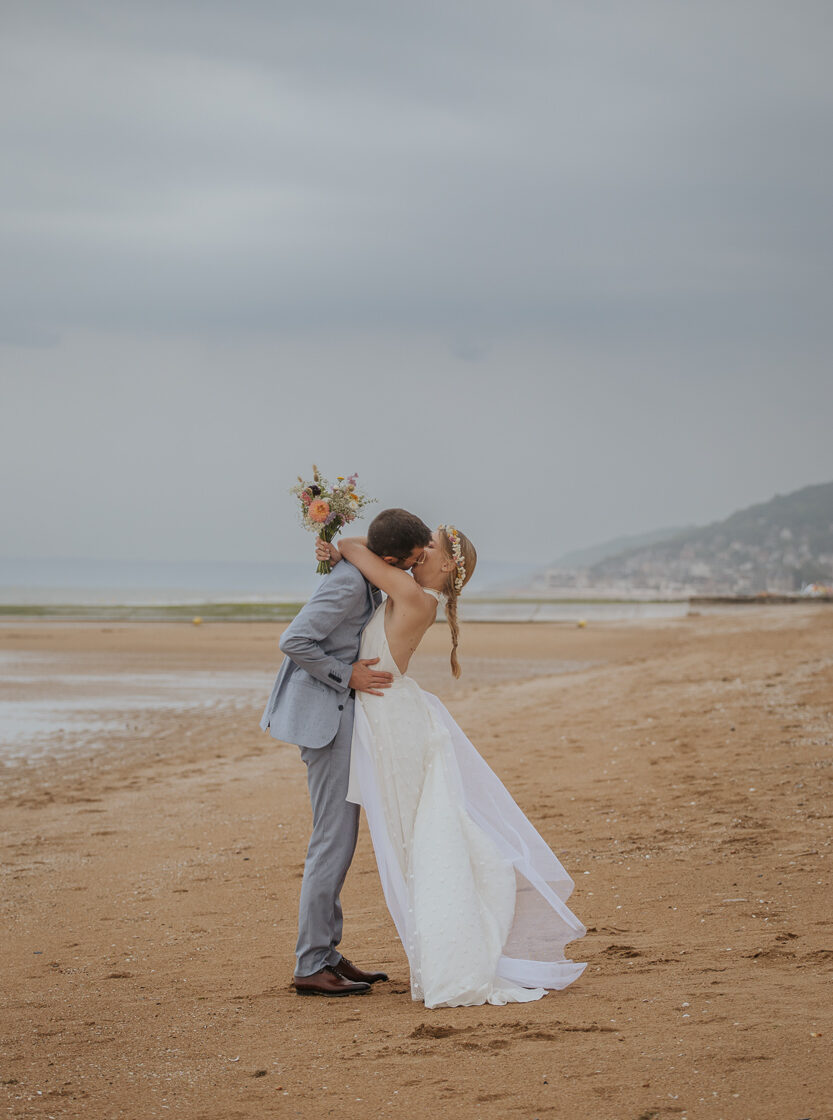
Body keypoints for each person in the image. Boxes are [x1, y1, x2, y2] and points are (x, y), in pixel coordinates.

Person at [318, 526, 587, 1009]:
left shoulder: (415, 595)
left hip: (393, 723)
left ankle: (447, 953)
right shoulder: (411, 590)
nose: (421, 552)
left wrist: (339, 542)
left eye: (431, 547)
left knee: (412, 841)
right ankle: (439, 948)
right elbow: (367, 553)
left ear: (444, 566)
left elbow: (359, 547)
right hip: (387, 716)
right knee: (414, 840)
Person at [260, 508, 432, 996]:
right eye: (416, 559)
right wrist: (347, 674)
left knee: (339, 838)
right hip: (326, 720)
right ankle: (311, 964)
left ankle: (327, 954)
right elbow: (293, 640)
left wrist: (337, 546)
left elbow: (361, 548)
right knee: (332, 841)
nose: (419, 565)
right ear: (394, 558)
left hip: (340, 720)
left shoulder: (368, 572)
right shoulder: (351, 585)